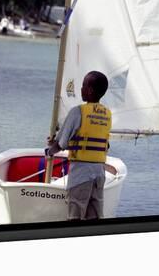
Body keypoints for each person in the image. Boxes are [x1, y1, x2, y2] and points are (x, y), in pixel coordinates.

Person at [46, 71, 112, 220]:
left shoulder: (78, 112)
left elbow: (61, 144)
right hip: (99, 175)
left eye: (83, 86)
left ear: (89, 90)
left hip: (81, 175)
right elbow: (104, 145)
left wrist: (49, 151)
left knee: (75, 217)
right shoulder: (107, 114)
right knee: (94, 217)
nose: (81, 89)